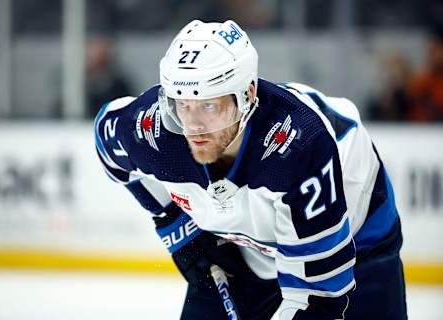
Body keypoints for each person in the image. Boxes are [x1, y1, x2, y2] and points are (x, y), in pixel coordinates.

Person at [94, 20, 407, 319]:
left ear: (248, 96)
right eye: (182, 104)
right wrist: (176, 228)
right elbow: (106, 143)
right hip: (243, 255)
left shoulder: (298, 148)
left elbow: (318, 299)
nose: (194, 126)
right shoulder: (151, 130)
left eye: (210, 106)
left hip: (357, 239)